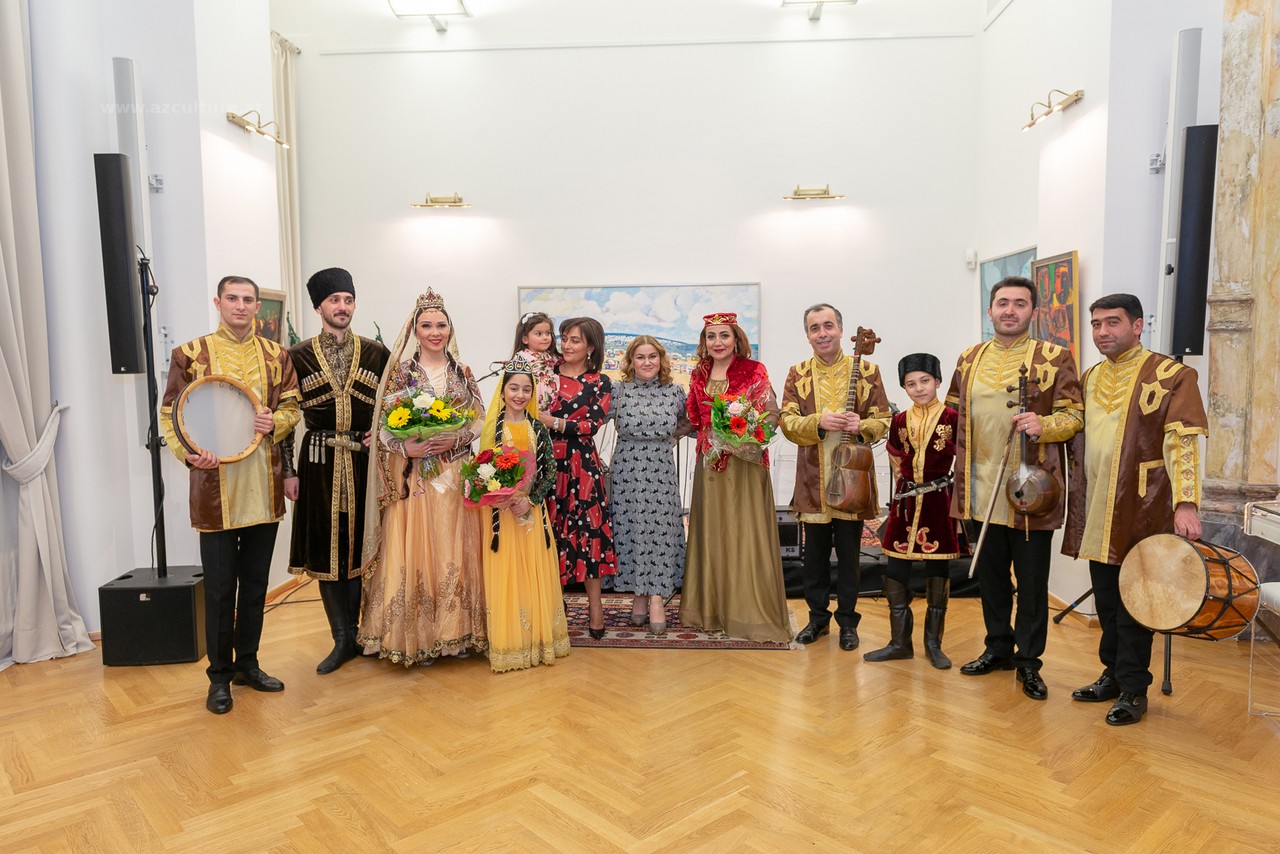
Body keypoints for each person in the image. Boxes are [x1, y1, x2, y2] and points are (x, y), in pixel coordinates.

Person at [1062, 293, 1207, 726]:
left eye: (1113, 322)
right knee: (1107, 599)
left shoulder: (1172, 375)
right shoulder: (1090, 377)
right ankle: (1111, 674)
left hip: (1142, 504)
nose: (1102, 332)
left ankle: (1133, 689)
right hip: (1097, 506)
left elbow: (1182, 443)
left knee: (1136, 601)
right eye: (1096, 324)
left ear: (1137, 325)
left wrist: (1185, 502)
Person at [159, 275, 301, 715]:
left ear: (257, 306)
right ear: (218, 302)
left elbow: (293, 407)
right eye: (232, 298)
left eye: (248, 299)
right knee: (220, 591)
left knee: (255, 587)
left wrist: (275, 422)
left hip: (263, 487)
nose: (240, 306)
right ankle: (219, 678)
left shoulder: (277, 355)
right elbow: (171, 414)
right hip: (215, 491)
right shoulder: (190, 354)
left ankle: (248, 665)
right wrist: (190, 453)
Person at [949, 275, 1082, 700]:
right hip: (979, 488)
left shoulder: (1055, 357)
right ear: (990, 310)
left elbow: (1074, 416)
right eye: (1003, 303)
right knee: (990, 579)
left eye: (1020, 304)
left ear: (1033, 311)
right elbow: (950, 415)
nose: (1010, 310)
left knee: (1031, 583)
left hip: (1031, 490)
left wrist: (1044, 424)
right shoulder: (969, 358)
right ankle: (998, 648)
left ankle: (1029, 662)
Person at [357, 289, 488, 665]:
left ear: (450, 329)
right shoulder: (401, 374)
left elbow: (479, 418)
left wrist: (457, 437)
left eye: (441, 325)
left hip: (454, 475)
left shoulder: (462, 373)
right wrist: (406, 447)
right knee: (417, 552)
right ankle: (418, 636)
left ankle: (455, 634)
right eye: (426, 325)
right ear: (414, 330)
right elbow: (383, 429)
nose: (434, 332)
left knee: (453, 549)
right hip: (414, 479)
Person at [283, 267, 390, 674]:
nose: (342, 307)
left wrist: (383, 436)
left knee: (361, 544)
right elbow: (285, 415)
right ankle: (341, 638)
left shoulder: (376, 354)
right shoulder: (297, 356)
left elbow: (395, 406)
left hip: (364, 460)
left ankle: (360, 633)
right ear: (319, 307)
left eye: (347, 300)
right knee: (328, 548)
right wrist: (288, 471)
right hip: (318, 461)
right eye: (334, 300)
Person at [780, 304, 890, 651]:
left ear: (841, 330)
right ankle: (817, 619)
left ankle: (847, 622)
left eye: (828, 326)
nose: (822, 333)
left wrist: (862, 425)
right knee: (813, 559)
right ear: (807, 335)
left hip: (852, 481)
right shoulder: (797, 374)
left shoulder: (868, 371)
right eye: (815, 328)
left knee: (848, 557)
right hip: (813, 480)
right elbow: (787, 422)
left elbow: (883, 419)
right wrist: (819, 422)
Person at [682, 312, 792, 643]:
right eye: (711, 336)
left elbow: (771, 415)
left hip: (745, 465)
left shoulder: (754, 370)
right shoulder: (699, 373)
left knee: (745, 532)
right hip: (710, 464)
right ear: (704, 342)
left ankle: (748, 612)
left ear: (736, 339)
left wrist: (738, 437)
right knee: (713, 533)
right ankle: (712, 611)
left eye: (724, 335)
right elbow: (693, 416)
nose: (717, 342)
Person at [865, 353, 967, 668]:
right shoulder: (898, 421)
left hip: (939, 501)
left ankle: (933, 645)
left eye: (925, 381)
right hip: (906, 504)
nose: (919, 388)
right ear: (904, 388)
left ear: (937, 381)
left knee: (938, 571)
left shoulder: (952, 418)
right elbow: (896, 460)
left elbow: (964, 461)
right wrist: (901, 493)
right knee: (896, 570)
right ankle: (899, 643)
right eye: (911, 384)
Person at [480, 357, 571, 672]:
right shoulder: (493, 428)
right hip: (501, 516)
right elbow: (483, 470)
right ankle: (510, 644)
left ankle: (538, 640)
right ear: (503, 391)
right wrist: (502, 497)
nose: (520, 395)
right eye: (514, 388)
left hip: (531, 513)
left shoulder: (537, 428)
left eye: (526, 389)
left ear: (533, 393)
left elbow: (549, 470)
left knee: (533, 573)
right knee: (508, 575)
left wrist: (530, 500)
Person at [537, 317, 617, 639]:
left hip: (582, 465)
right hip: (545, 461)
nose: (567, 345)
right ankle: (555, 605)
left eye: (575, 340)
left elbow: (591, 426)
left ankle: (596, 607)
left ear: (591, 347)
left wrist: (552, 422)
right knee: (549, 532)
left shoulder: (600, 382)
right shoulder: (546, 374)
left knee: (589, 533)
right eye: (564, 338)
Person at [610, 336, 692, 635]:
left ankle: (656, 597)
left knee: (660, 532)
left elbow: (692, 422)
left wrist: (674, 436)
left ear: (661, 359)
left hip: (660, 469)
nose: (647, 362)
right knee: (630, 530)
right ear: (631, 361)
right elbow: (591, 421)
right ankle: (639, 595)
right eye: (640, 357)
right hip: (626, 470)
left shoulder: (674, 391)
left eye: (652, 356)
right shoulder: (618, 391)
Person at [510, 311, 561, 414]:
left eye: (548, 333)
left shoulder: (550, 355)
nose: (545, 337)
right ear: (525, 339)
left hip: (551, 401)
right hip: (531, 401)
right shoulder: (522, 357)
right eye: (539, 334)